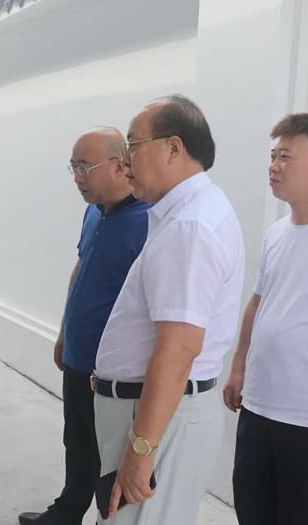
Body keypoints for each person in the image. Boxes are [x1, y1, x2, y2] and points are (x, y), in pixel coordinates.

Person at [92, 95, 245, 525]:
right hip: (159, 414)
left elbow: (179, 349)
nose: (124, 161)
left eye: (132, 146)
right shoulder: (192, 212)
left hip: (157, 418)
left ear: (173, 147)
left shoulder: (189, 226)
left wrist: (142, 448)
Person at [18, 127, 150, 525]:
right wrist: (64, 332)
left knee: (110, 457)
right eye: (73, 168)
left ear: (120, 165)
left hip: (115, 372)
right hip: (79, 357)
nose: (77, 178)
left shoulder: (149, 222)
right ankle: (68, 511)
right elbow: (82, 268)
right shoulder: (94, 211)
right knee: (76, 442)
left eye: (84, 168)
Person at [223, 112, 308, 524]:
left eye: (286, 157)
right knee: (252, 510)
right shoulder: (277, 233)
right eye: (272, 156)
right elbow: (257, 303)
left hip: (307, 420)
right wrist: (238, 367)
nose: (273, 166)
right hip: (259, 406)